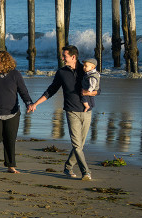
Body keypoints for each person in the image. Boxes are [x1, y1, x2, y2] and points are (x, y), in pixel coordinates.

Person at [27, 45, 99, 181]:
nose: (62, 58)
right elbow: (51, 90)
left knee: (80, 145)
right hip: (71, 111)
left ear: (73, 57)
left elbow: (98, 90)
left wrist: (90, 92)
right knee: (77, 145)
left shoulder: (86, 70)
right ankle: (86, 172)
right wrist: (35, 104)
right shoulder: (61, 72)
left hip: (87, 111)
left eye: (64, 56)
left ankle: (68, 166)